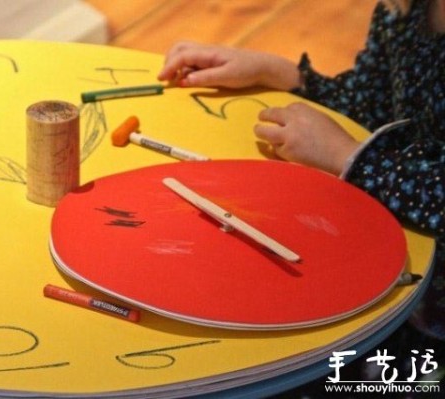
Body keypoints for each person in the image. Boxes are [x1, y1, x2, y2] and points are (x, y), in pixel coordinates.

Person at [158, 0, 444, 396]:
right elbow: (374, 109)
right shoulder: (405, 9)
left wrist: (347, 155)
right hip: (396, 288)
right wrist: (281, 74)